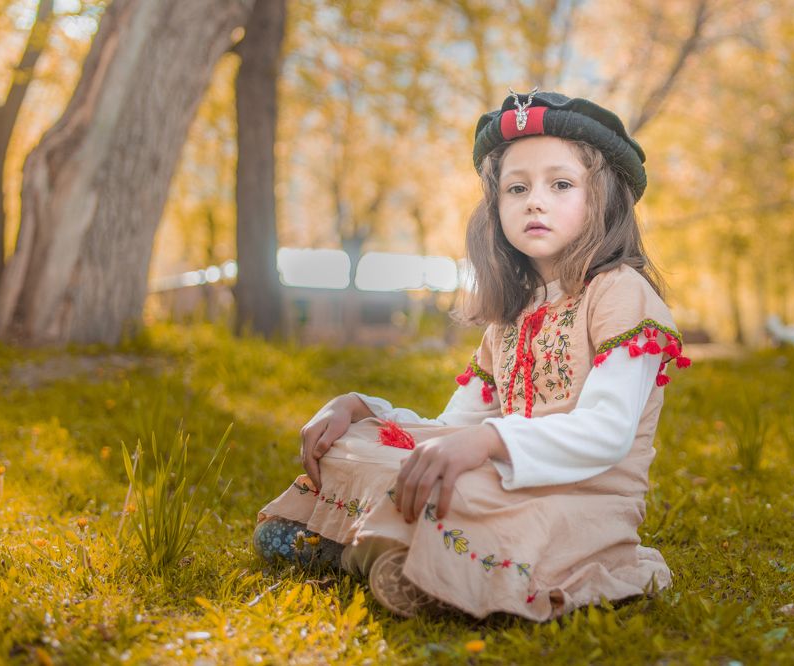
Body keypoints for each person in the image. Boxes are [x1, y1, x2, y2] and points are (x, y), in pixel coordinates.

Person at [253, 89, 691, 621]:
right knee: (367, 448)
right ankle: (388, 553)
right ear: (495, 206)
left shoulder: (619, 291)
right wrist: (365, 408)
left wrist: (487, 442)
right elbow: (450, 429)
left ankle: (381, 555)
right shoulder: (511, 316)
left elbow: (607, 431)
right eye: (516, 187)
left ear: (605, 197)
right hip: (505, 473)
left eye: (560, 184)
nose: (535, 201)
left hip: (581, 495)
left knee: (460, 488)